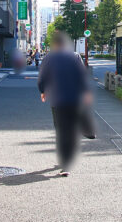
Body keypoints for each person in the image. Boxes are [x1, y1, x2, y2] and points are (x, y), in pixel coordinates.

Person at [37, 32, 91, 176]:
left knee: (61, 130)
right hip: (74, 98)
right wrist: (85, 92)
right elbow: (81, 75)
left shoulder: (49, 58)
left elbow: (43, 77)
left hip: (57, 99)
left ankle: (64, 162)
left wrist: (43, 91)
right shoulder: (75, 56)